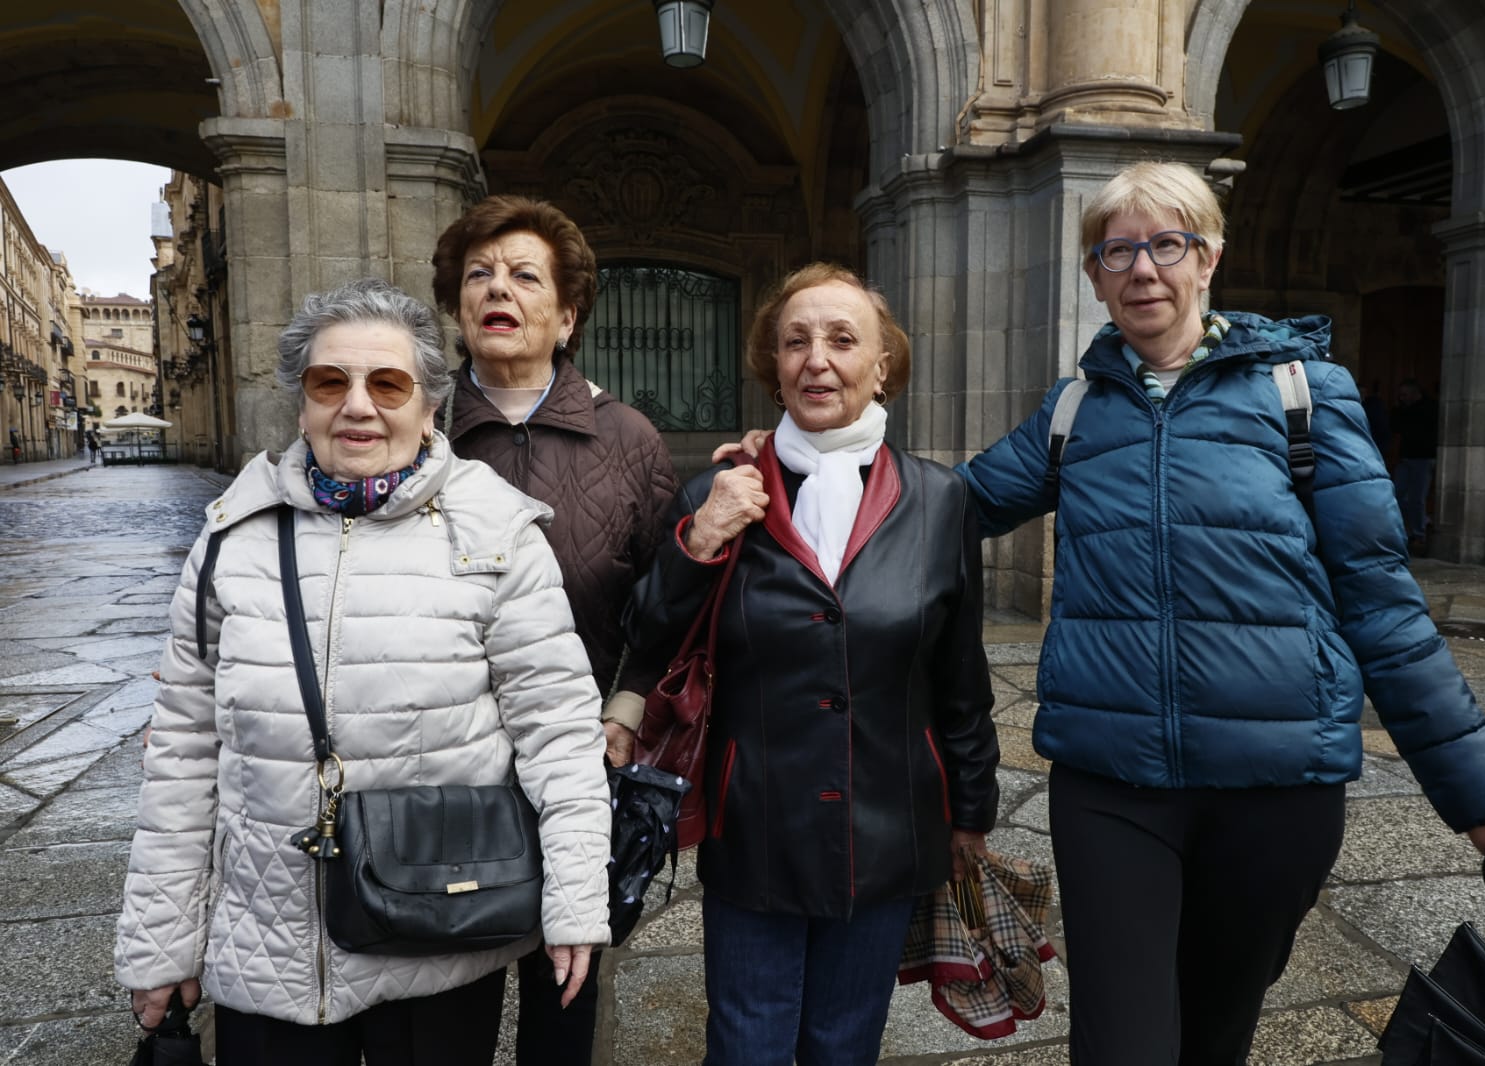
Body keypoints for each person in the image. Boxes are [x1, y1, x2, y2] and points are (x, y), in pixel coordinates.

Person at [953, 161, 1485, 1066]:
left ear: (1208, 257)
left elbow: (1384, 606)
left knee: (1215, 1035)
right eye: (1117, 249)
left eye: (1167, 244)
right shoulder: (1075, 410)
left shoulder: (1305, 393)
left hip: (1276, 791)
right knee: (1122, 1045)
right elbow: (943, 508)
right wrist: (799, 468)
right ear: (1093, 273)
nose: (1143, 269)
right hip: (1112, 785)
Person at [114, 278, 612, 1066]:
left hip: (434, 943)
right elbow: (183, 753)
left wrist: (576, 900)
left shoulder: (495, 533)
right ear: (301, 400)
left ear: (428, 405)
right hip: (267, 952)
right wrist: (161, 941)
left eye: (387, 383)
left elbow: (559, 733)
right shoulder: (232, 540)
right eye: (328, 382)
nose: (357, 406)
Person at [627, 263, 1001, 1066]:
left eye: (842, 340)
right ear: (773, 364)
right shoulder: (718, 490)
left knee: (844, 1042)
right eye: (795, 342)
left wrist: (970, 812)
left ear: (881, 366)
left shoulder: (940, 501)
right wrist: (700, 540)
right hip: (754, 823)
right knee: (746, 1043)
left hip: (887, 822)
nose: (816, 360)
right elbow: (646, 637)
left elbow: (961, 679)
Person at [429, 194, 679, 1063]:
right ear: (459, 310)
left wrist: (631, 704)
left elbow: (663, 598)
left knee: (565, 993)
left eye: (524, 276)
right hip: (443, 768)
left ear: (566, 316)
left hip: (581, 760)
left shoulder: (630, 440)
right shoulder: (411, 432)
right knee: (444, 1002)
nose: (498, 289)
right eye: (479, 276)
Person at [1392, 376, 1438, 545]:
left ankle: (1419, 533)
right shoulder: (1403, 410)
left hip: (1423, 458)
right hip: (1406, 457)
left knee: (1417, 497)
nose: (1401, 398)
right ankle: (1418, 524)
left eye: (1405, 394)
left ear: (1415, 394)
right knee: (1396, 496)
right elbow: (1397, 427)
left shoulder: (1429, 408)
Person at [1360, 378, 1389, 459]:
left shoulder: (1373, 406)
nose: (1362, 395)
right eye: (1360, 393)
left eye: (1364, 393)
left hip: (1374, 444)